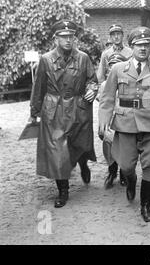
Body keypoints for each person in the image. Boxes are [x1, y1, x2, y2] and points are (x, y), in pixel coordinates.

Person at [98, 26, 150, 223]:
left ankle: (145, 206)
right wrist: (104, 121)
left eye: (147, 45)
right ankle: (130, 180)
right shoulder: (117, 69)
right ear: (131, 46)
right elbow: (106, 98)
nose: (143, 48)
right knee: (126, 165)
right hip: (125, 124)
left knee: (149, 167)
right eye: (139, 45)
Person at [30, 20, 99, 208]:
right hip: (54, 110)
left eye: (71, 37)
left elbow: (92, 80)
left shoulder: (83, 58)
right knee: (58, 151)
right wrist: (34, 112)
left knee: (80, 144)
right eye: (64, 37)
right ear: (56, 38)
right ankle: (63, 190)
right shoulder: (46, 59)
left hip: (78, 107)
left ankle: (83, 163)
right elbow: (39, 87)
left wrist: (93, 88)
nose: (68, 40)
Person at [97, 24, 133, 189]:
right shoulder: (106, 54)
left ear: (122, 35)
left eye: (119, 34)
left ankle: (125, 173)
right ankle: (112, 170)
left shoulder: (130, 53)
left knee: (125, 138)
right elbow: (100, 78)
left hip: (126, 95)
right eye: (113, 34)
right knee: (108, 138)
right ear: (110, 37)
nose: (116, 37)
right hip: (109, 95)